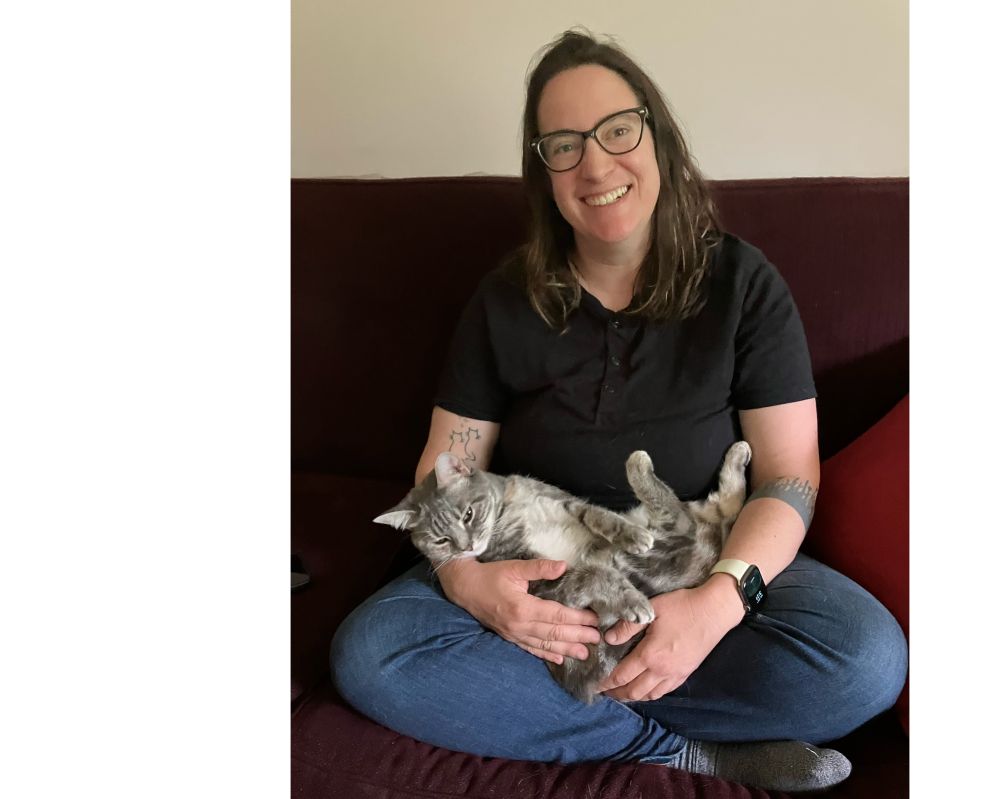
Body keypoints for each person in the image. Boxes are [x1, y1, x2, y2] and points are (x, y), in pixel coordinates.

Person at [330, 29, 907, 793]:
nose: (595, 164)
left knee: (867, 658)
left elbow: (788, 477)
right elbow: (448, 469)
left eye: (616, 130)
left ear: (657, 136)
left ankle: (578, 710)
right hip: (540, 583)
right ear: (544, 172)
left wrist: (711, 609)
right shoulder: (505, 298)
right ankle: (681, 749)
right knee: (374, 652)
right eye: (563, 145)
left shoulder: (743, 282)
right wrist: (469, 582)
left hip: (700, 561)